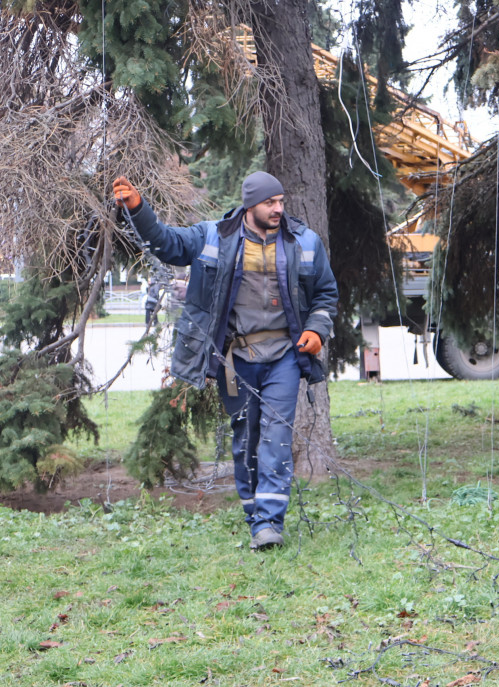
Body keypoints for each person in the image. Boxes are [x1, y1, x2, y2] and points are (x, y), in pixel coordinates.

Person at [113, 172, 338, 551]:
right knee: (246, 436)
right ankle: (255, 516)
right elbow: (168, 245)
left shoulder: (305, 241)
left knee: (276, 433)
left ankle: (270, 522)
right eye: (271, 202)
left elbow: (326, 294)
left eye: (281, 201)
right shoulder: (212, 236)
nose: (278, 209)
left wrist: (317, 330)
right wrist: (138, 209)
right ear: (251, 205)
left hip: (284, 354)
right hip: (236, 358)